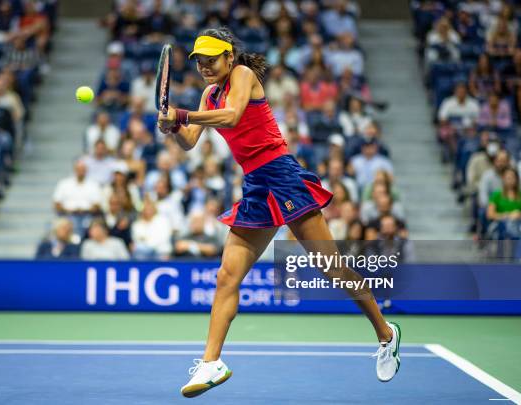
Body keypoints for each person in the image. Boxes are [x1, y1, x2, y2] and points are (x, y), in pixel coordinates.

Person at [158, 27, 401, 398]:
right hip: (255, 184)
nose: (205, 66)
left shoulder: (243, 75)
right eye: (199, 61)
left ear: (229, 56)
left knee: (331, 268)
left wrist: (184, 114)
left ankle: (386, 333)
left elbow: (234, 117)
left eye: (211, 59)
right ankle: (211, 363)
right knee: (227, 276)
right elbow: (189, 143)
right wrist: (172, 126)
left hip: (282, 176)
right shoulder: (210, 94)